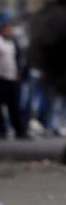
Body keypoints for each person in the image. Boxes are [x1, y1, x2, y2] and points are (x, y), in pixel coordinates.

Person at [0, 12, 27, 140]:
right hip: (1, 79)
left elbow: (18, 59)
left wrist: (19, 73)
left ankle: (19, 131)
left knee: (15, 106)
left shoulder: (13, 42)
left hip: (12, 79)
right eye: (7, 28)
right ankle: (2, 131)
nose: (9, 30)